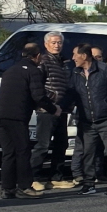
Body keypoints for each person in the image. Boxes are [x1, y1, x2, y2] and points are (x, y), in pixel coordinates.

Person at [0, 42, 51, 200]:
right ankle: (24, 187)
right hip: (17, 116)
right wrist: (53, 109)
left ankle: (7, 188)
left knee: (8, 153)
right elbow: (38, 96)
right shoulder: (33, 71)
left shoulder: (10, 70)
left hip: (0, 115)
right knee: (23, 151)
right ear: (37, 56)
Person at [68, 43, 107, 196]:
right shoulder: (75, 72)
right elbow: (72, 94)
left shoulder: (104, 70)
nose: (73, 58)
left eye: (75, 54)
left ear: (84, 56)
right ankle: (88, 184)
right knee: (88, 152)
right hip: (86, 120)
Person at [34, 31, 74, 189]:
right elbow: (38, 86)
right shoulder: (43, 61)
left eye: (59, 43)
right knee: (42, 145)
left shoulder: (64, 62)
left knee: (61, 144)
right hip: (47, 110)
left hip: (62, 110)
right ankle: (33, 177)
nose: (57, 45)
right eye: (53, 42)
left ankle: (56, 177)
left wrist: (65, 103)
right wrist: (52, 100)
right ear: (46, 44)